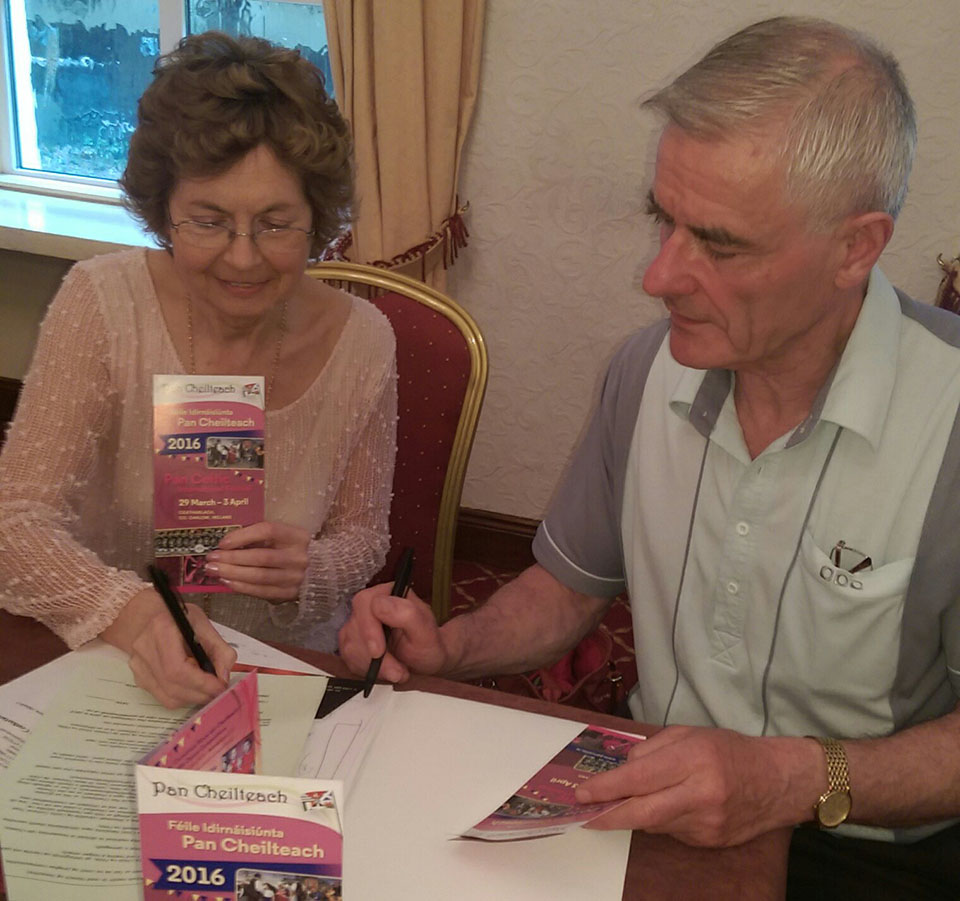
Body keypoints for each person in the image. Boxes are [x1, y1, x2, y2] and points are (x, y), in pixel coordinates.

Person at [339, 16, 960, 896]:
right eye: (664, 220)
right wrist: (451, 644)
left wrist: (789, 778)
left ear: (855, 248)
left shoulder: (948, 424)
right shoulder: (647, 369)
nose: (658, 276)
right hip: (651, 802)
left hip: (867, 841)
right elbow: (568, 589)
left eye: (720, 242)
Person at [0, 32, 397, 709]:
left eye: (275, 224)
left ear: (317, 219)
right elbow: (15, 522)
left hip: (286, 674)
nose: (242, 258)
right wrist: (135, 615)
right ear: (163, 214)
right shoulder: (101, 303)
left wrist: (312, 567)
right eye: (209, 222)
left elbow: (365, 538)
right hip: (120, 667)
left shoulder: (364, 340)